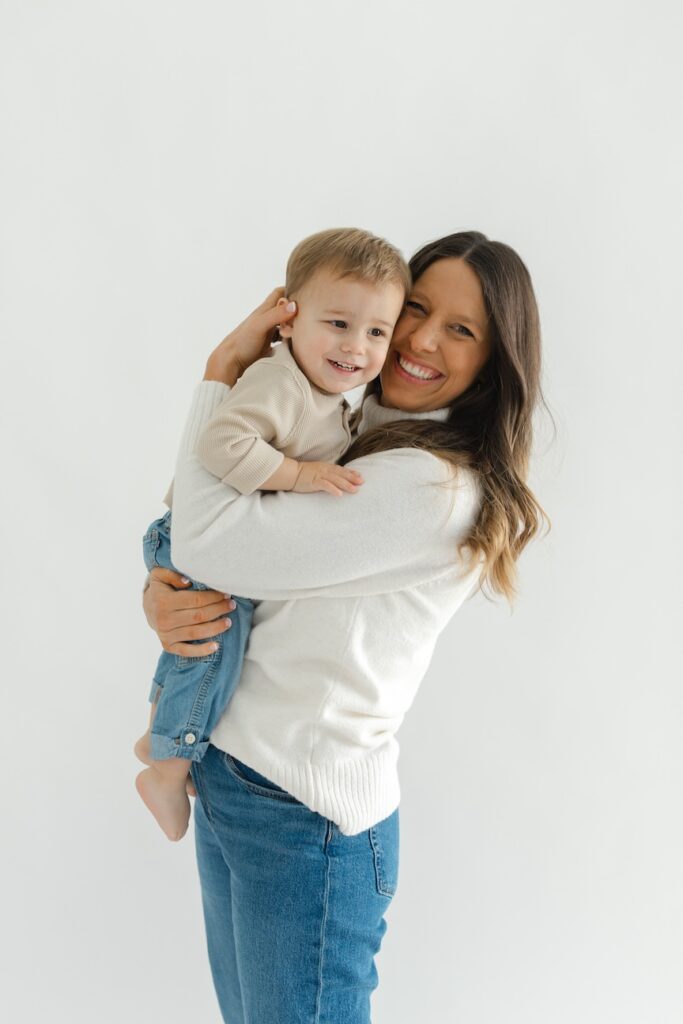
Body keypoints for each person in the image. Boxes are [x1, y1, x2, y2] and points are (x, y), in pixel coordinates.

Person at [141, 231, 547, 1024]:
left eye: (460, 330)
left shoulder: (427, 485)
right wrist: (167, 599)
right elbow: (230, 558)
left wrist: (221, 373)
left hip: (303, 813)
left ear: (494, 363)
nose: (420, 340)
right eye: (416, 310)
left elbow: (209, 542)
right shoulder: (349, 428)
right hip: (237, 775)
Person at [135, 228, 410, 841]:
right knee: (213, 647)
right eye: (337, 323)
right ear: (287, 319)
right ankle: (167, 766)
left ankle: (160, 733)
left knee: (197, 646)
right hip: (191, 535)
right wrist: (299, 475)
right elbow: (222, 442)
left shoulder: (324, 392)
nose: (356, 346)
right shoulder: (282, 382)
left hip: (206, 538)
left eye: (376, 332)